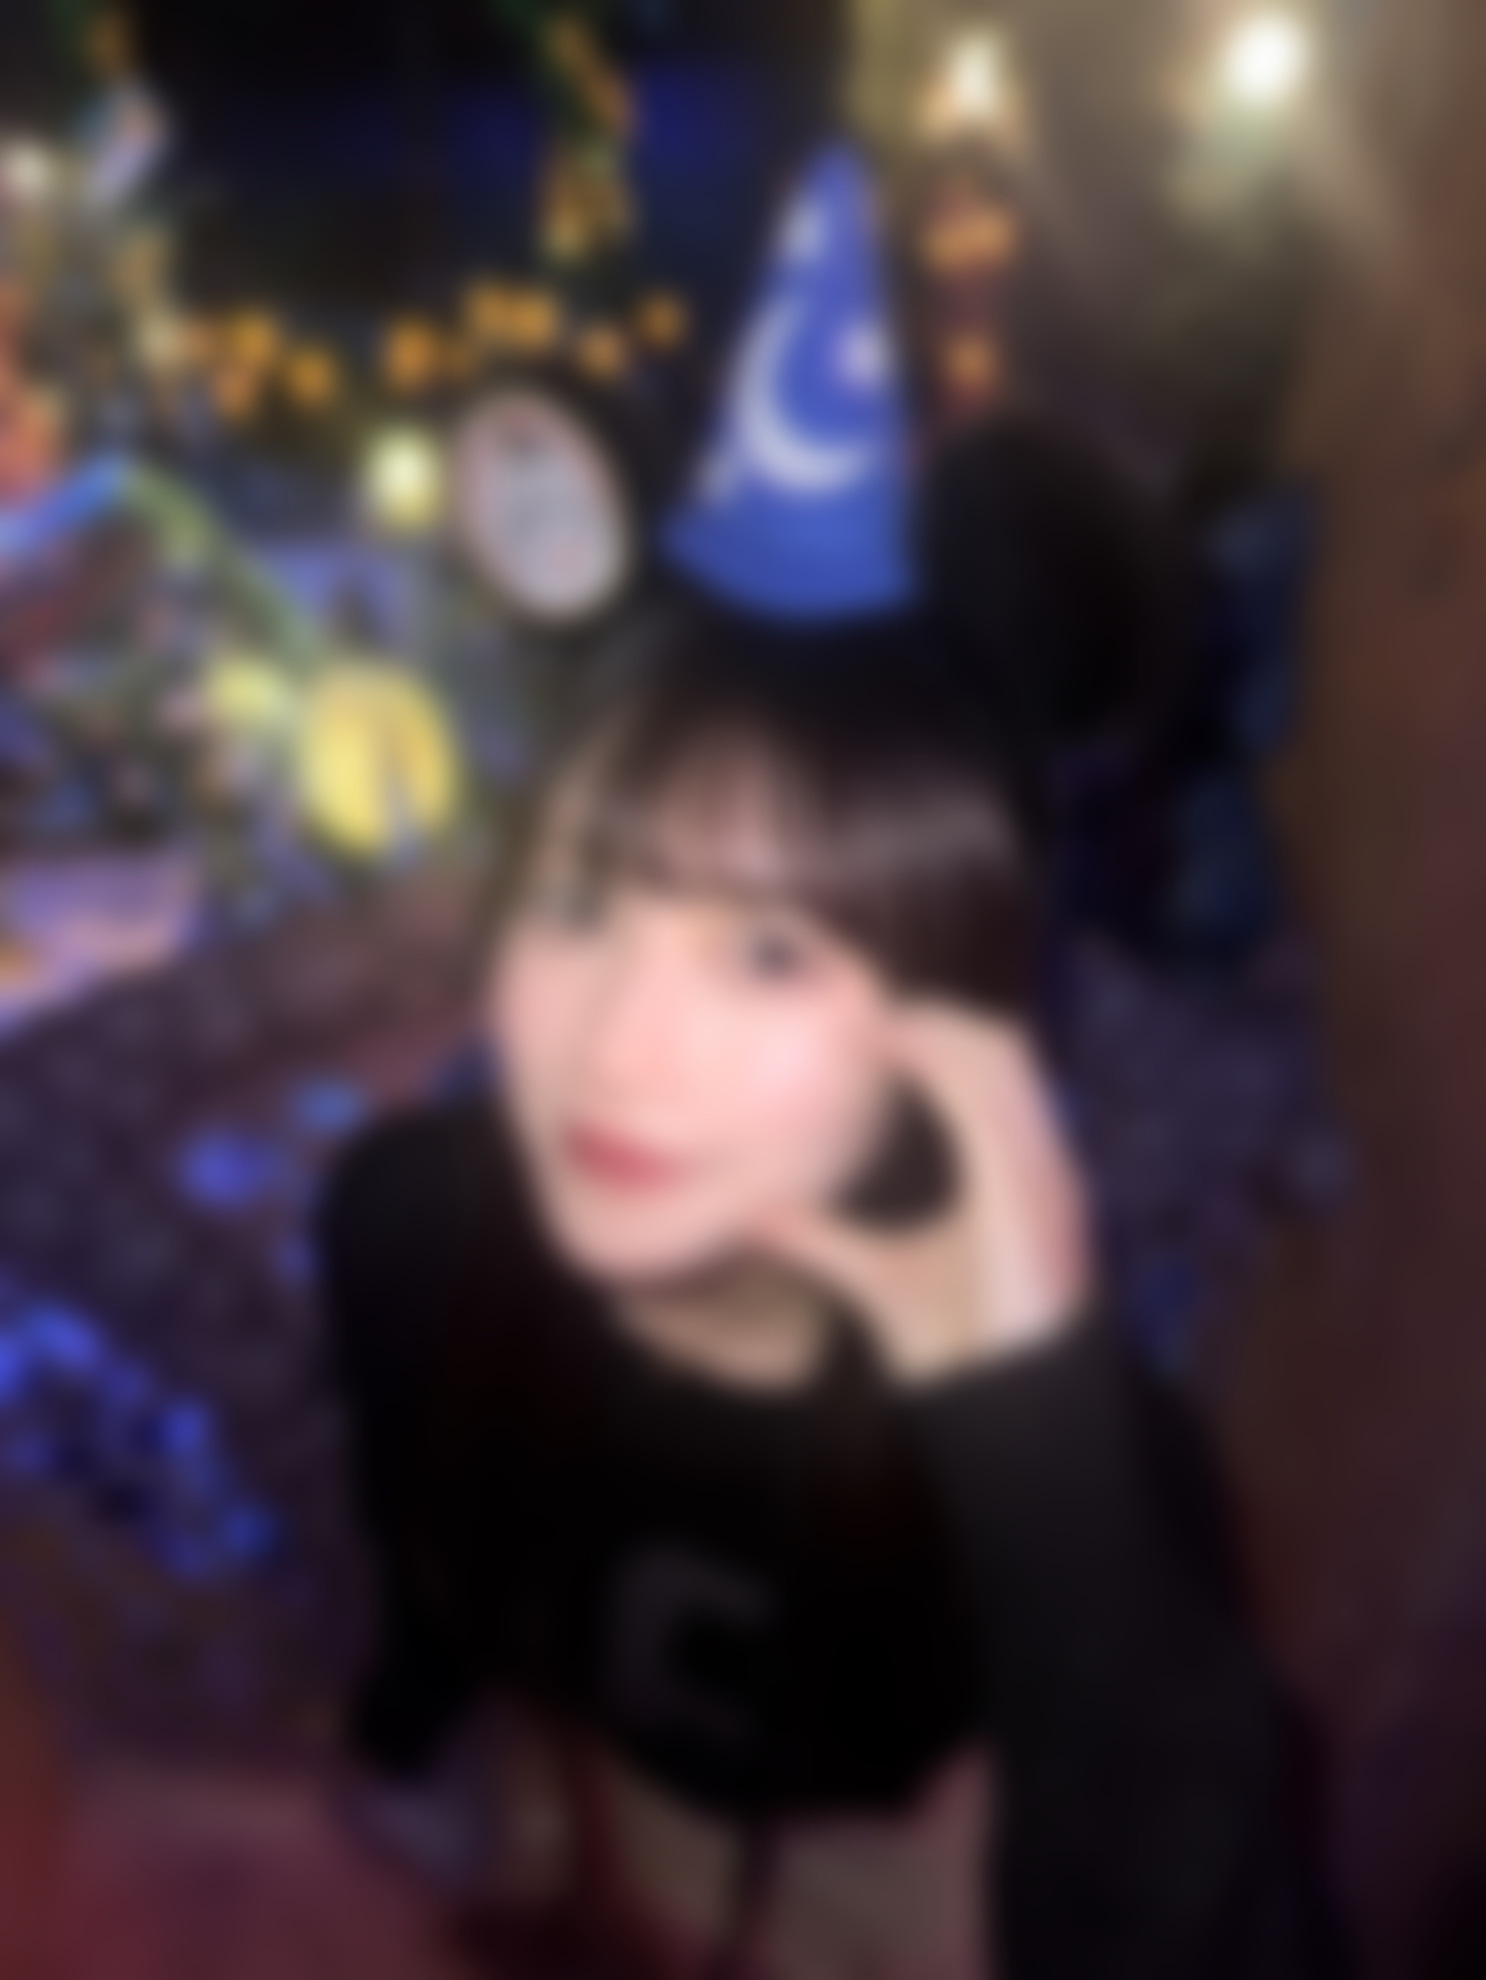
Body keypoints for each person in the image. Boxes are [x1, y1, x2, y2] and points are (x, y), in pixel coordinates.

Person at [317, 598, 1340, 1979]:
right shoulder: (409, 1220)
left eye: (767, 954)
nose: (616, 1047)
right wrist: (414, 1728)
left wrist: (1034, 1432)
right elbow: (413, 1537)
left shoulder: (1065, 1468)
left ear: (956, 1042)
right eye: (576, 904)